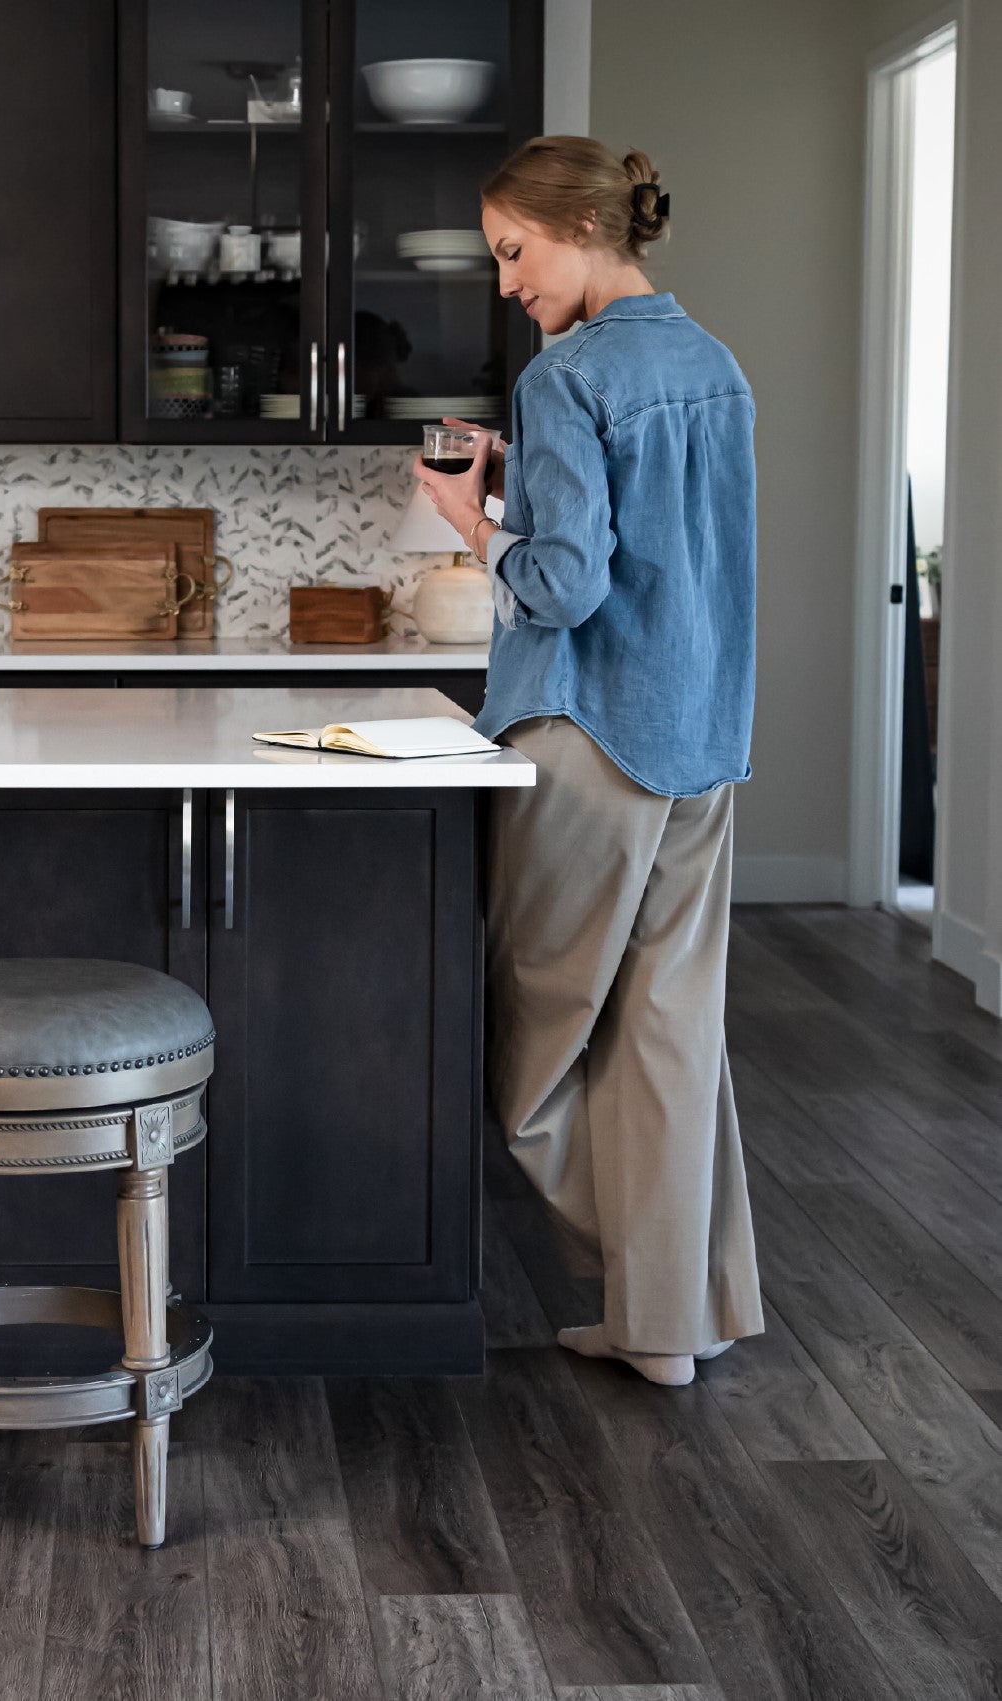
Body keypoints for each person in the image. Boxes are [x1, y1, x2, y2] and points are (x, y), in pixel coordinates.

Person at [416, 135, 765, 1387]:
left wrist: (472, 522)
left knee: (531, 1044)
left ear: (578, 227)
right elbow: (672, 548)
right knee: (670, 1035)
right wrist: (533, 488)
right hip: (702, 738)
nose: (508, 282)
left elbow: (564, 589)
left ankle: (645, 1289)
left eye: (514, 251)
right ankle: (671, 1321)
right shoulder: (714, 365)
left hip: (587, 741)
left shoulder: (565, 376)